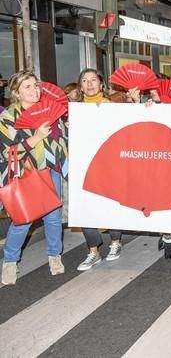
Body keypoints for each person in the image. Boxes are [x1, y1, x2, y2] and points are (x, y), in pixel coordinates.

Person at [0, 71, 68, 285]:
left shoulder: (48, 109)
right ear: (16, 93)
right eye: (27, 87)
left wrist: (66, 130)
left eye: (36, 85)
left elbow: (62, 139)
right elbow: (6, 152)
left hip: (50, 169)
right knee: (23, 219)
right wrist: (36, 137)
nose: (34, 90)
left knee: (53, 218)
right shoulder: (8, 117)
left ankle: (54, 256)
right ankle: (10, 261)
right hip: (25, 173)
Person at [73, 69, 129, 271]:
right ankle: (93, 251)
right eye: (85, 81)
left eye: (93, 80)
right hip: (85, 165)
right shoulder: (74, 109)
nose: (89, 84)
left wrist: (113, 109)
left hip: (110, 164)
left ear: (101, 84)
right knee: (85, 207)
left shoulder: (112, 106)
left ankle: (115, 242)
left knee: (112, 204)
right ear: (80, 86)